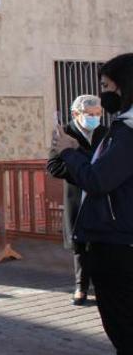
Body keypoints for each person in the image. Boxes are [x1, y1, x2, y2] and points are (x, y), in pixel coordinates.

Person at [52, 53, 133, 354]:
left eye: (106, 86)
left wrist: (69, 154)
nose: (103, 96)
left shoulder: (126, 131)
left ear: (123, 86)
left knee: (123, 327)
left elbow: (100, 181)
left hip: (118, 243)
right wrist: (77, 152)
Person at [47, 94, 107, 306]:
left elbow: (105, 163)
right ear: (76, 114)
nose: (94, 118)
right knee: (79, 244)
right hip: (76, 195)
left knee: (101, 242)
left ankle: (101, 286)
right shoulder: (65, 133)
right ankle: (80, 287)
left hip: (100, 195)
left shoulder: (105, 133)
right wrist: (82, 174)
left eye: (98, 114)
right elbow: (54, 166)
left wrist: (89, 169)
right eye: (89, 114)